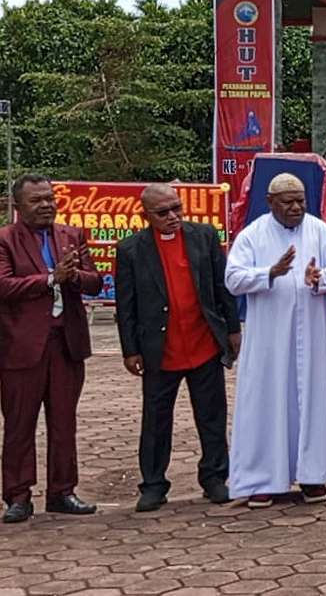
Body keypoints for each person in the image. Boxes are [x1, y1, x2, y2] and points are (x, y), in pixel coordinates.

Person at [224, 173, 326, 508]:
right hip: (269, 339)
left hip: (314, 334)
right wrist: (269, 273)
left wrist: (320, 277)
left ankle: (312, 476)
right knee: (268, 401)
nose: (296, 207)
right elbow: (233, 278)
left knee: (314, 399)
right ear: (270, 203)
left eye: (300, 201)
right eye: (288, 202)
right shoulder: (252, 235)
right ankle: (264, 479)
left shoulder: (319, 229)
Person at [114, 184, 240, 512]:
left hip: (204, 345)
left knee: (211, 416)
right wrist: (130, 349)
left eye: (176, 209)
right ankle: (153, 485)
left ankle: (214, 478)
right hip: (159, 350)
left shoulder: (204, 236)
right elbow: (125, 305)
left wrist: (233, 329)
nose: (173, 217)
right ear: (146, 216)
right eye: (163, 212)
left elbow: (221, 285)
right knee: (155, 421)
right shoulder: (131, 250)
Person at [0, 174, 102, 523]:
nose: (46, 205)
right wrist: (49, 279)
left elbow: (95, 282)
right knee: (19, 425)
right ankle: (18, 495)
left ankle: (62, 492)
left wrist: (73, 276)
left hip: (65, 344)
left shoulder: (70, 235)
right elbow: (4, 285)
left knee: (64, 422)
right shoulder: (5, 240)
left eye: (49, 198)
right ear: (18, 207)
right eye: (37, 200)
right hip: (22, 348)